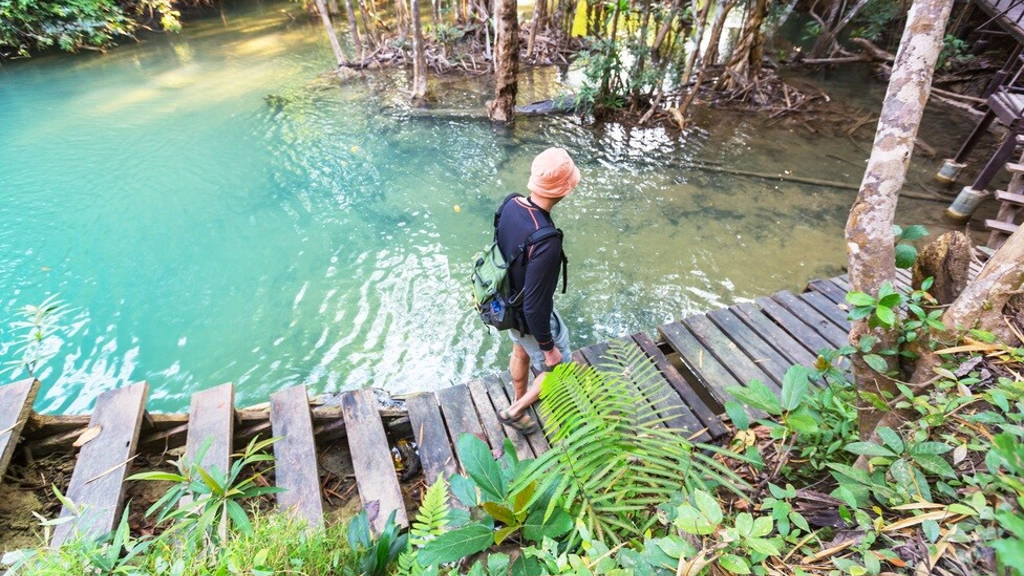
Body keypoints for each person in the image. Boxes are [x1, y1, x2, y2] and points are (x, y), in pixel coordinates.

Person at [495, 147, 580, 433]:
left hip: (506, 303)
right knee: (559, 365)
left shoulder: (511, 203)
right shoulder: (546, 241)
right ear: (565, 190)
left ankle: (519, 397)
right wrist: (548, 348)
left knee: (520, 349)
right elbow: (535, 306)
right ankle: (515, 410)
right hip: (528, 314)